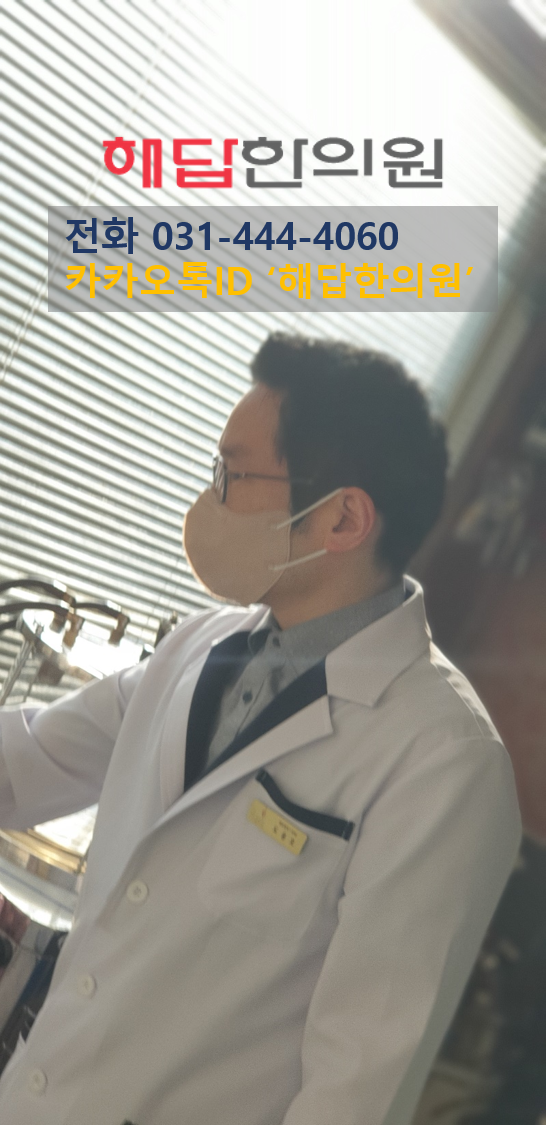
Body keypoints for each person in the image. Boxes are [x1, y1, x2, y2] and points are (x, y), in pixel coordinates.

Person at [0, 333, 521, 1125]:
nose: (207, 501)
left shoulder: (443, 761)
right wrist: (41, 951)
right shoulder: (198, 648)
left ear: (342, 517)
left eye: (231, 475)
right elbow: (27, 760)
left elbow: (356, 1088)